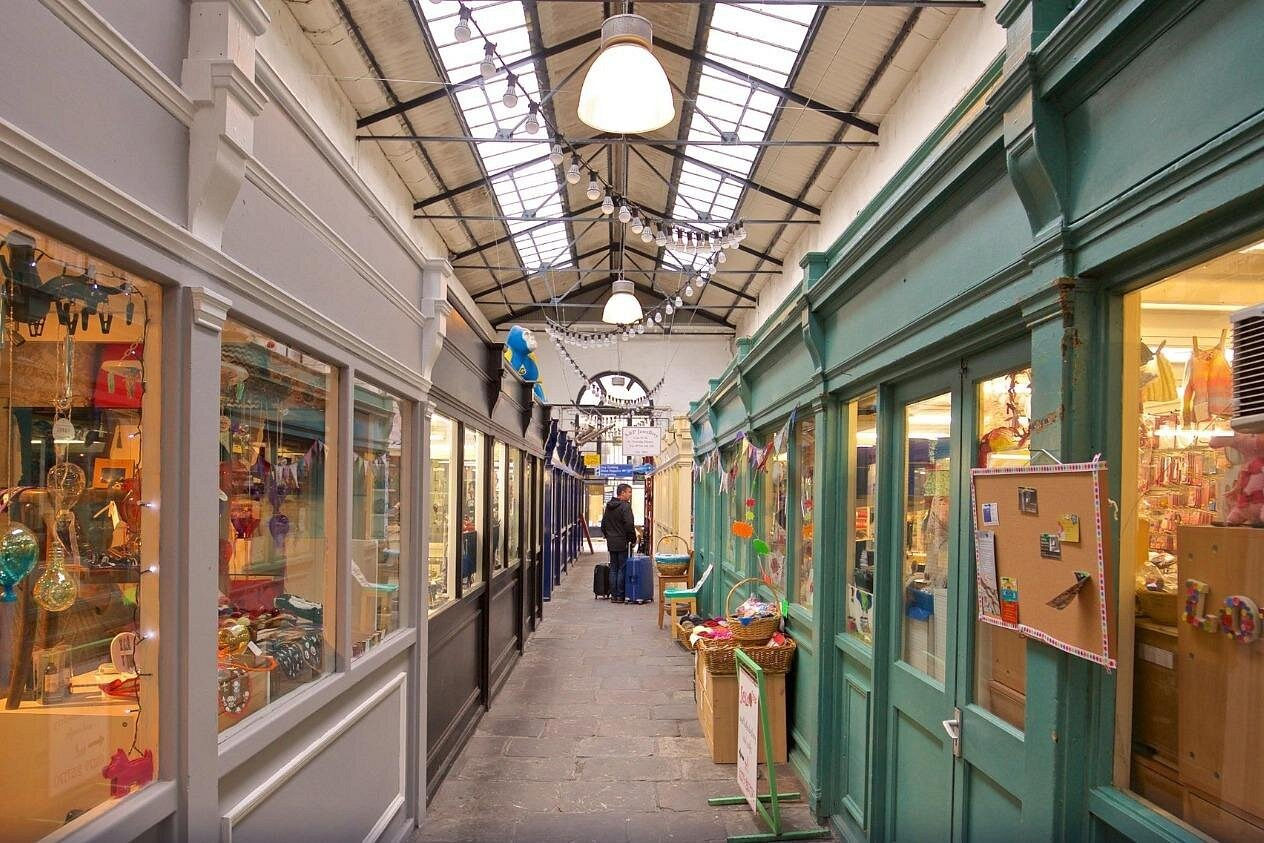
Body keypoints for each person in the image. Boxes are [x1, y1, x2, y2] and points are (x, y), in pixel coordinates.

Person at [600, 483, 636, 604]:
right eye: (629, 492)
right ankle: (620, 595)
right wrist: (632, 539)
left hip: (611, 542)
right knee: (622, 568)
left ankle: (613, 595)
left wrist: (608, 536)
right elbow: (629, 525)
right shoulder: (625, 506)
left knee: (613, 568)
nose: (630, 495)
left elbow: (603, 525)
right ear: (622, 493)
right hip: (622, 542)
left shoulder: (608, 506)